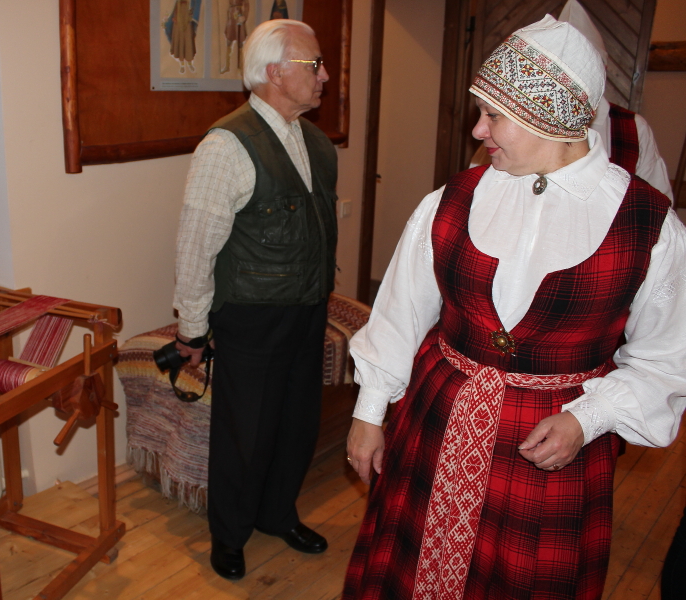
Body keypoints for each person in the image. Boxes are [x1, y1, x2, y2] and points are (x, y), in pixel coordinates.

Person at [343, 15, 686, 600]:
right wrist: (369, 412)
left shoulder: (648, 226)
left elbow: (666, 361)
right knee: (407, 569)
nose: (479, 130)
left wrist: (588, 418)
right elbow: (400, 312)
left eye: (494, 115)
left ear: (549, 115)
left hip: (549, 454)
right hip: (435, 426)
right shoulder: (451, 200)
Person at [172, 19, 337, 581]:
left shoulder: (317, 143)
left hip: (308, 309)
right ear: (274, 72)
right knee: (245, 432)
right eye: (314, 65)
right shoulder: (226, 146)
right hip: (252, 315)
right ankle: (230, 532)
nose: (325, 75)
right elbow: (197, 245)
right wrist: (192, 328)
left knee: (296, 424)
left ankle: (276, 514)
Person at [558, 0, 673, 200]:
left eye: (582, 68)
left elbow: (658, 200)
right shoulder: (523, 126)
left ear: (602, 71)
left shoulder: (633, 128)